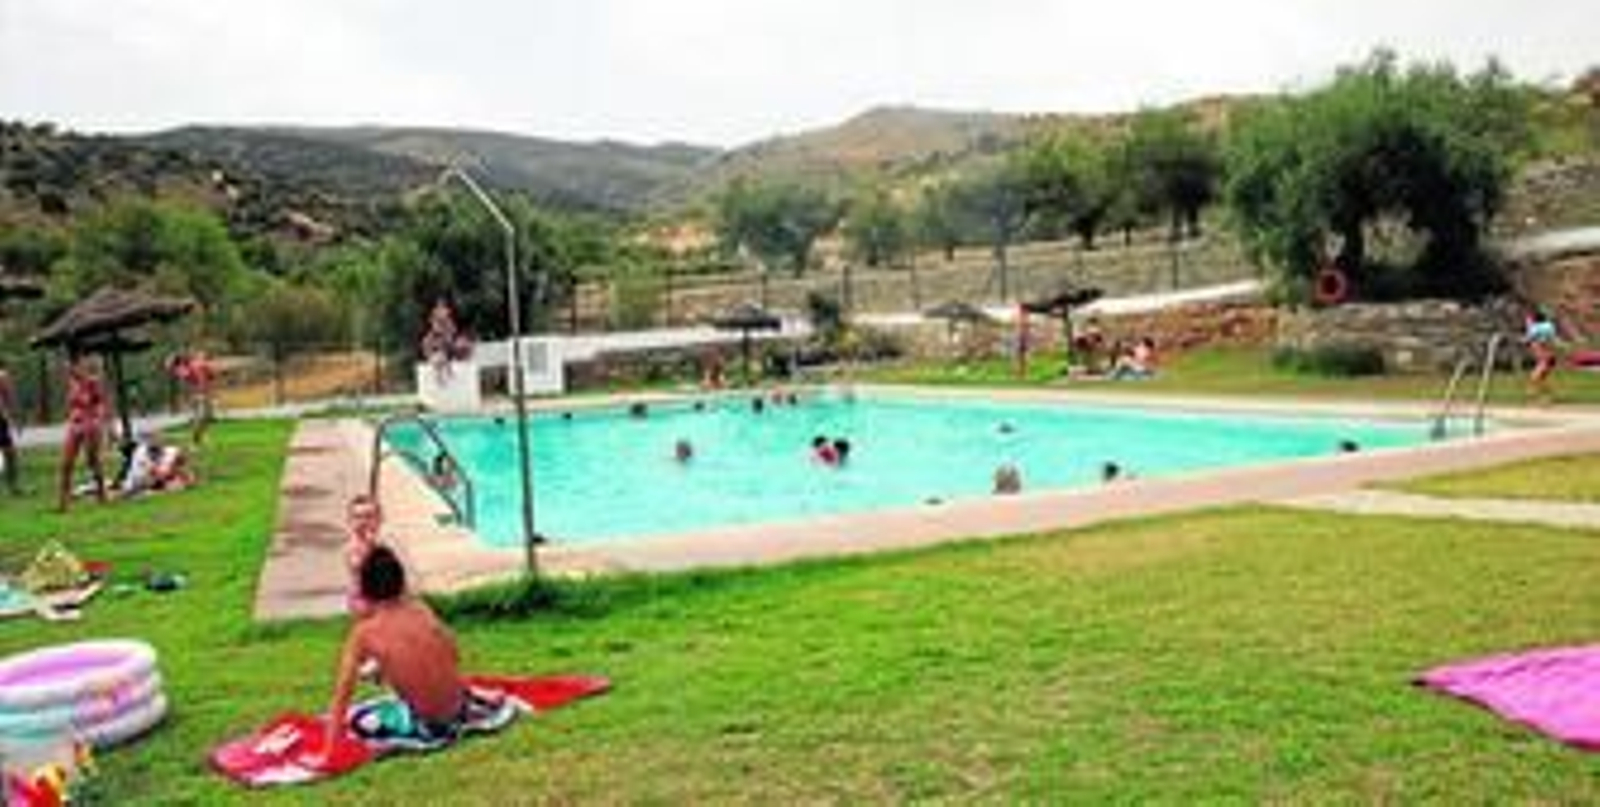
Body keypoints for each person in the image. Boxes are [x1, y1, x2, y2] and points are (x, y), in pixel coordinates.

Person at [321, 546, 480, 755]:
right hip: (461, 710)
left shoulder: (364, 633)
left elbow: (342, 697)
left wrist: (327, 753)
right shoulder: (421, 609)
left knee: (360, 720)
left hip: (428, 726)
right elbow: (453, 654)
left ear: (365, 589)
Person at [58, 354, 109, 512]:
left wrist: (97, 420)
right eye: (69, 368)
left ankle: (102, 494)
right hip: (75, 425)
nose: (70, 370)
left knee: (92, 461)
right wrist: (72, 416)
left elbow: (102, 403)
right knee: (66, 463)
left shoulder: (93, 383)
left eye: (73, 367)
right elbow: (71, 405)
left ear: (82, 367)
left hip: (90, 425)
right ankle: (63, 503)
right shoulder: (72, 383)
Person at [344, 494, 384, 617]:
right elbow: (357, 565)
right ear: (349, 521)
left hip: (382, 597)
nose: (363, 521)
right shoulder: (352, 545)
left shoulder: (382, 543)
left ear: (379, 520)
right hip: (362, 599)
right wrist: (370, 545)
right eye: (357, 517)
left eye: (369, 516)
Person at [121, 431, 193, 496]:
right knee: (172, 485)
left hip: (158, 481)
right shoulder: (141, 453)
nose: (156, 440)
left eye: (157, 437)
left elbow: (186, 467)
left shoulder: (170, 450)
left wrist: (186, 474)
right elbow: (157, 474)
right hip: (141, 484)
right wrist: (173, 471)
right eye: (152, 439)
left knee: (177, 483)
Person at [169, 350, 216, 446]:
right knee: (201, 417)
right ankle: (195, 441)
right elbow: (189, 377)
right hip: (197, 394)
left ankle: (200, 436)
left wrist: (206, 370)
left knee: (206, 417)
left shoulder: (196, 366)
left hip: (203, 393)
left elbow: (211, 376)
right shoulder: (185, 369)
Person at [1525, 309, 1560, 404]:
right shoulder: (1547, 326)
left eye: (1530, 318)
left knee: (1534, 377)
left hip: (1545, 357)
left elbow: (1529, 339)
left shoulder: (1536, 328)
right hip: (1547, 356)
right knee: (1542, 379)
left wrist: (1529, 326)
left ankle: (1534, 395)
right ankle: (1546, 397)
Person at [0, 363, 21, 495]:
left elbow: (8, 399)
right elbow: (6, 400)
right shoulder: (2, 376)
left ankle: (13, 487)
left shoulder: (2, 376)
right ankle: (13, 487)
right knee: (10, 453)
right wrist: (13, 418)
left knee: (10, 453)